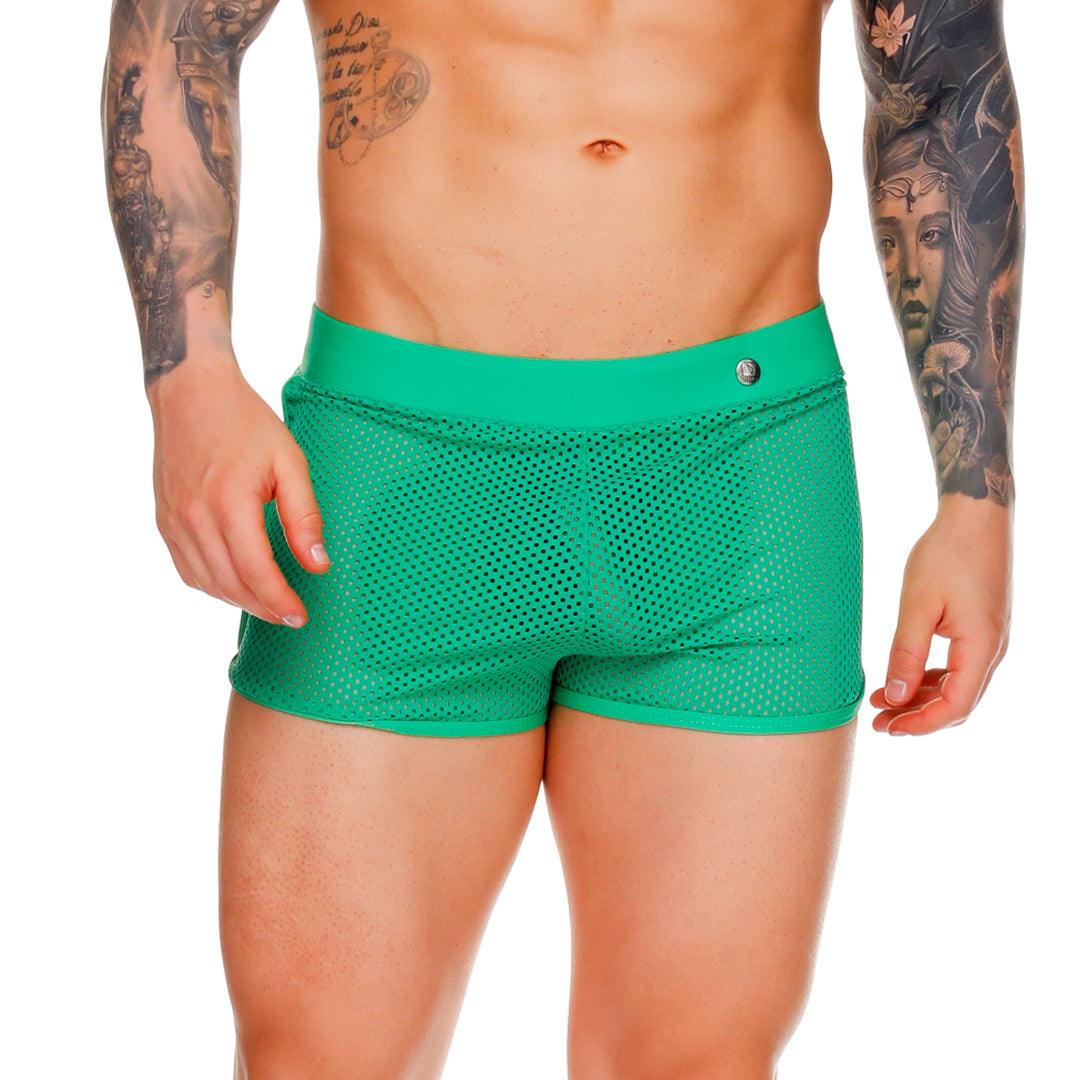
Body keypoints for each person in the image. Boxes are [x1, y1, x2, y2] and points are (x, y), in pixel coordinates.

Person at [102, 0, 1023, 1075]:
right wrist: (189, 377)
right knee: (320, 1059)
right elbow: (180, 29)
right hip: (401, 474)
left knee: (695, 1064)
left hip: (742, 477)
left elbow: (943, 85)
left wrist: (976, 497)